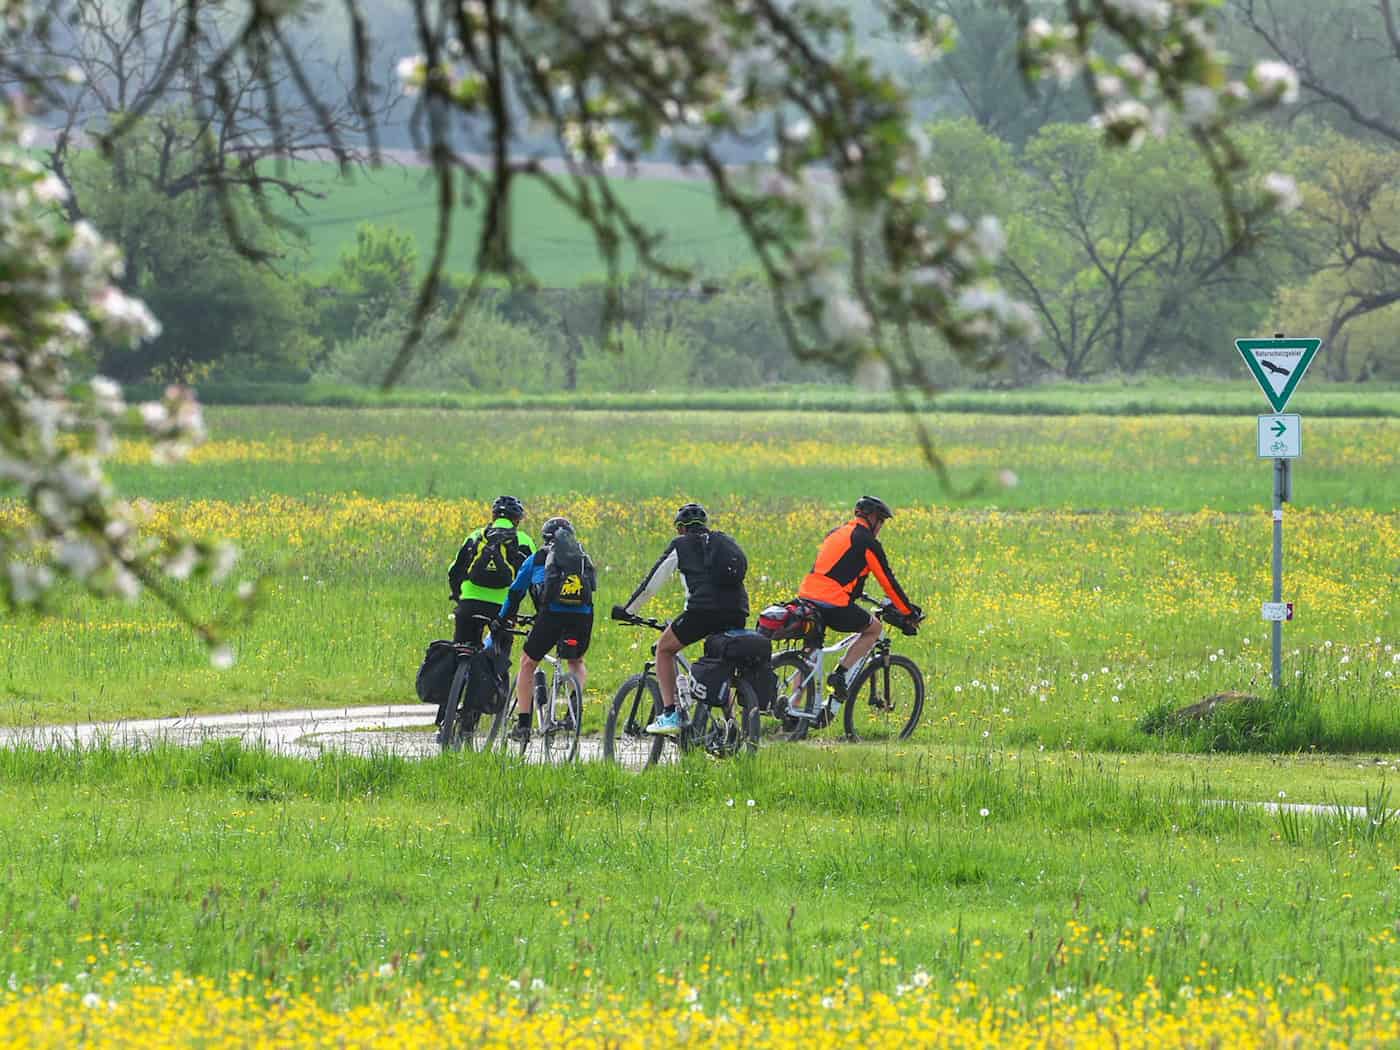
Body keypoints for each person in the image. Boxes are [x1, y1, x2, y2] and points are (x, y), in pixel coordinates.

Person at [611, 502, 748, 736]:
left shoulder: (681, 544)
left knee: (664, 649)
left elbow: (651, 583)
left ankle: (670, 713)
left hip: (702, 611)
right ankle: (730, 724)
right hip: (737, 610)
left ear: (681, 528)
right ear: (704, 526)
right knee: (717, 664)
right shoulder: (722, 542)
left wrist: (628, 610)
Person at [797, 495, 921, 713]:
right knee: (874, 628)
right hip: (832, 603)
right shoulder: (866, 541)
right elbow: (887, 581)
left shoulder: (837, 532)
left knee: (810, 651)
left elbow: (837, 568)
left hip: (806, 597)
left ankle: (794, 708)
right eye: (881, 521)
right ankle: (841, 673)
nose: (881, 527)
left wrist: (856, 591)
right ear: (872, 518)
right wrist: (908, 612)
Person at [494, 516, 596, 743]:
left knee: (528, 663)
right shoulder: (581, 557)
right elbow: (592, 588)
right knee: (576, 662)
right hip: (583, 616)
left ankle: (522, 726)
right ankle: (573, 711)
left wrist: (502, 619)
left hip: (552, 615)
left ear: (545, 538)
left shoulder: (537, 558)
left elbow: (514, 593)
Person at [447, 495, 535, 648]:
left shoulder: (476, 536)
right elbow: (533, 578)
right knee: (500, 655)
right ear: (517, 520)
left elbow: (454, 570)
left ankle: (458, 669)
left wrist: (457, 596)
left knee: (459, 649)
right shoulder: (524, 541)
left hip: (469, 603)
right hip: (503, 608)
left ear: (493, 516)